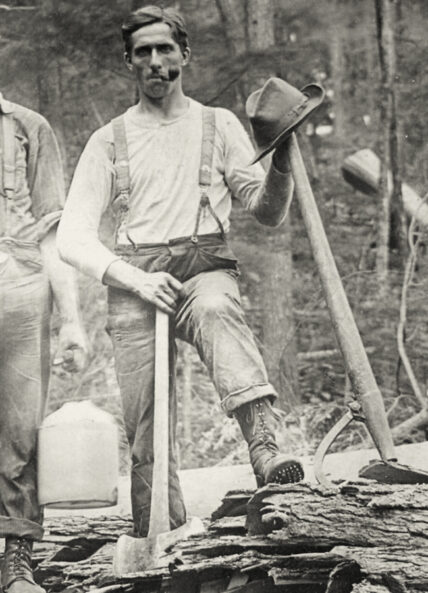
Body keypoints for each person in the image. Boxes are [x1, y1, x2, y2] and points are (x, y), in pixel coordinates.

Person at [57, 6, 322, 537]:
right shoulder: (109, 140)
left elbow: (267, 212)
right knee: (144, 421)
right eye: (143, 52)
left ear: (185, 54)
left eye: (165, 50)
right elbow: (72, 238)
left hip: (204, 267)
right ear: (128, 61)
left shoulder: (217, 124)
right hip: (136, 276)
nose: (156, 62)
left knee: (217, 307)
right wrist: (135, 279)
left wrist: (284, 159)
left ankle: (267, 452)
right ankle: (160, 529)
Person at [0, 93, 88, 593]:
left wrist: (71, 320)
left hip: (19, 282)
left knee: (19, 429)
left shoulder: (30, 128)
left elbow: (54, 230)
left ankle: (16, 561)